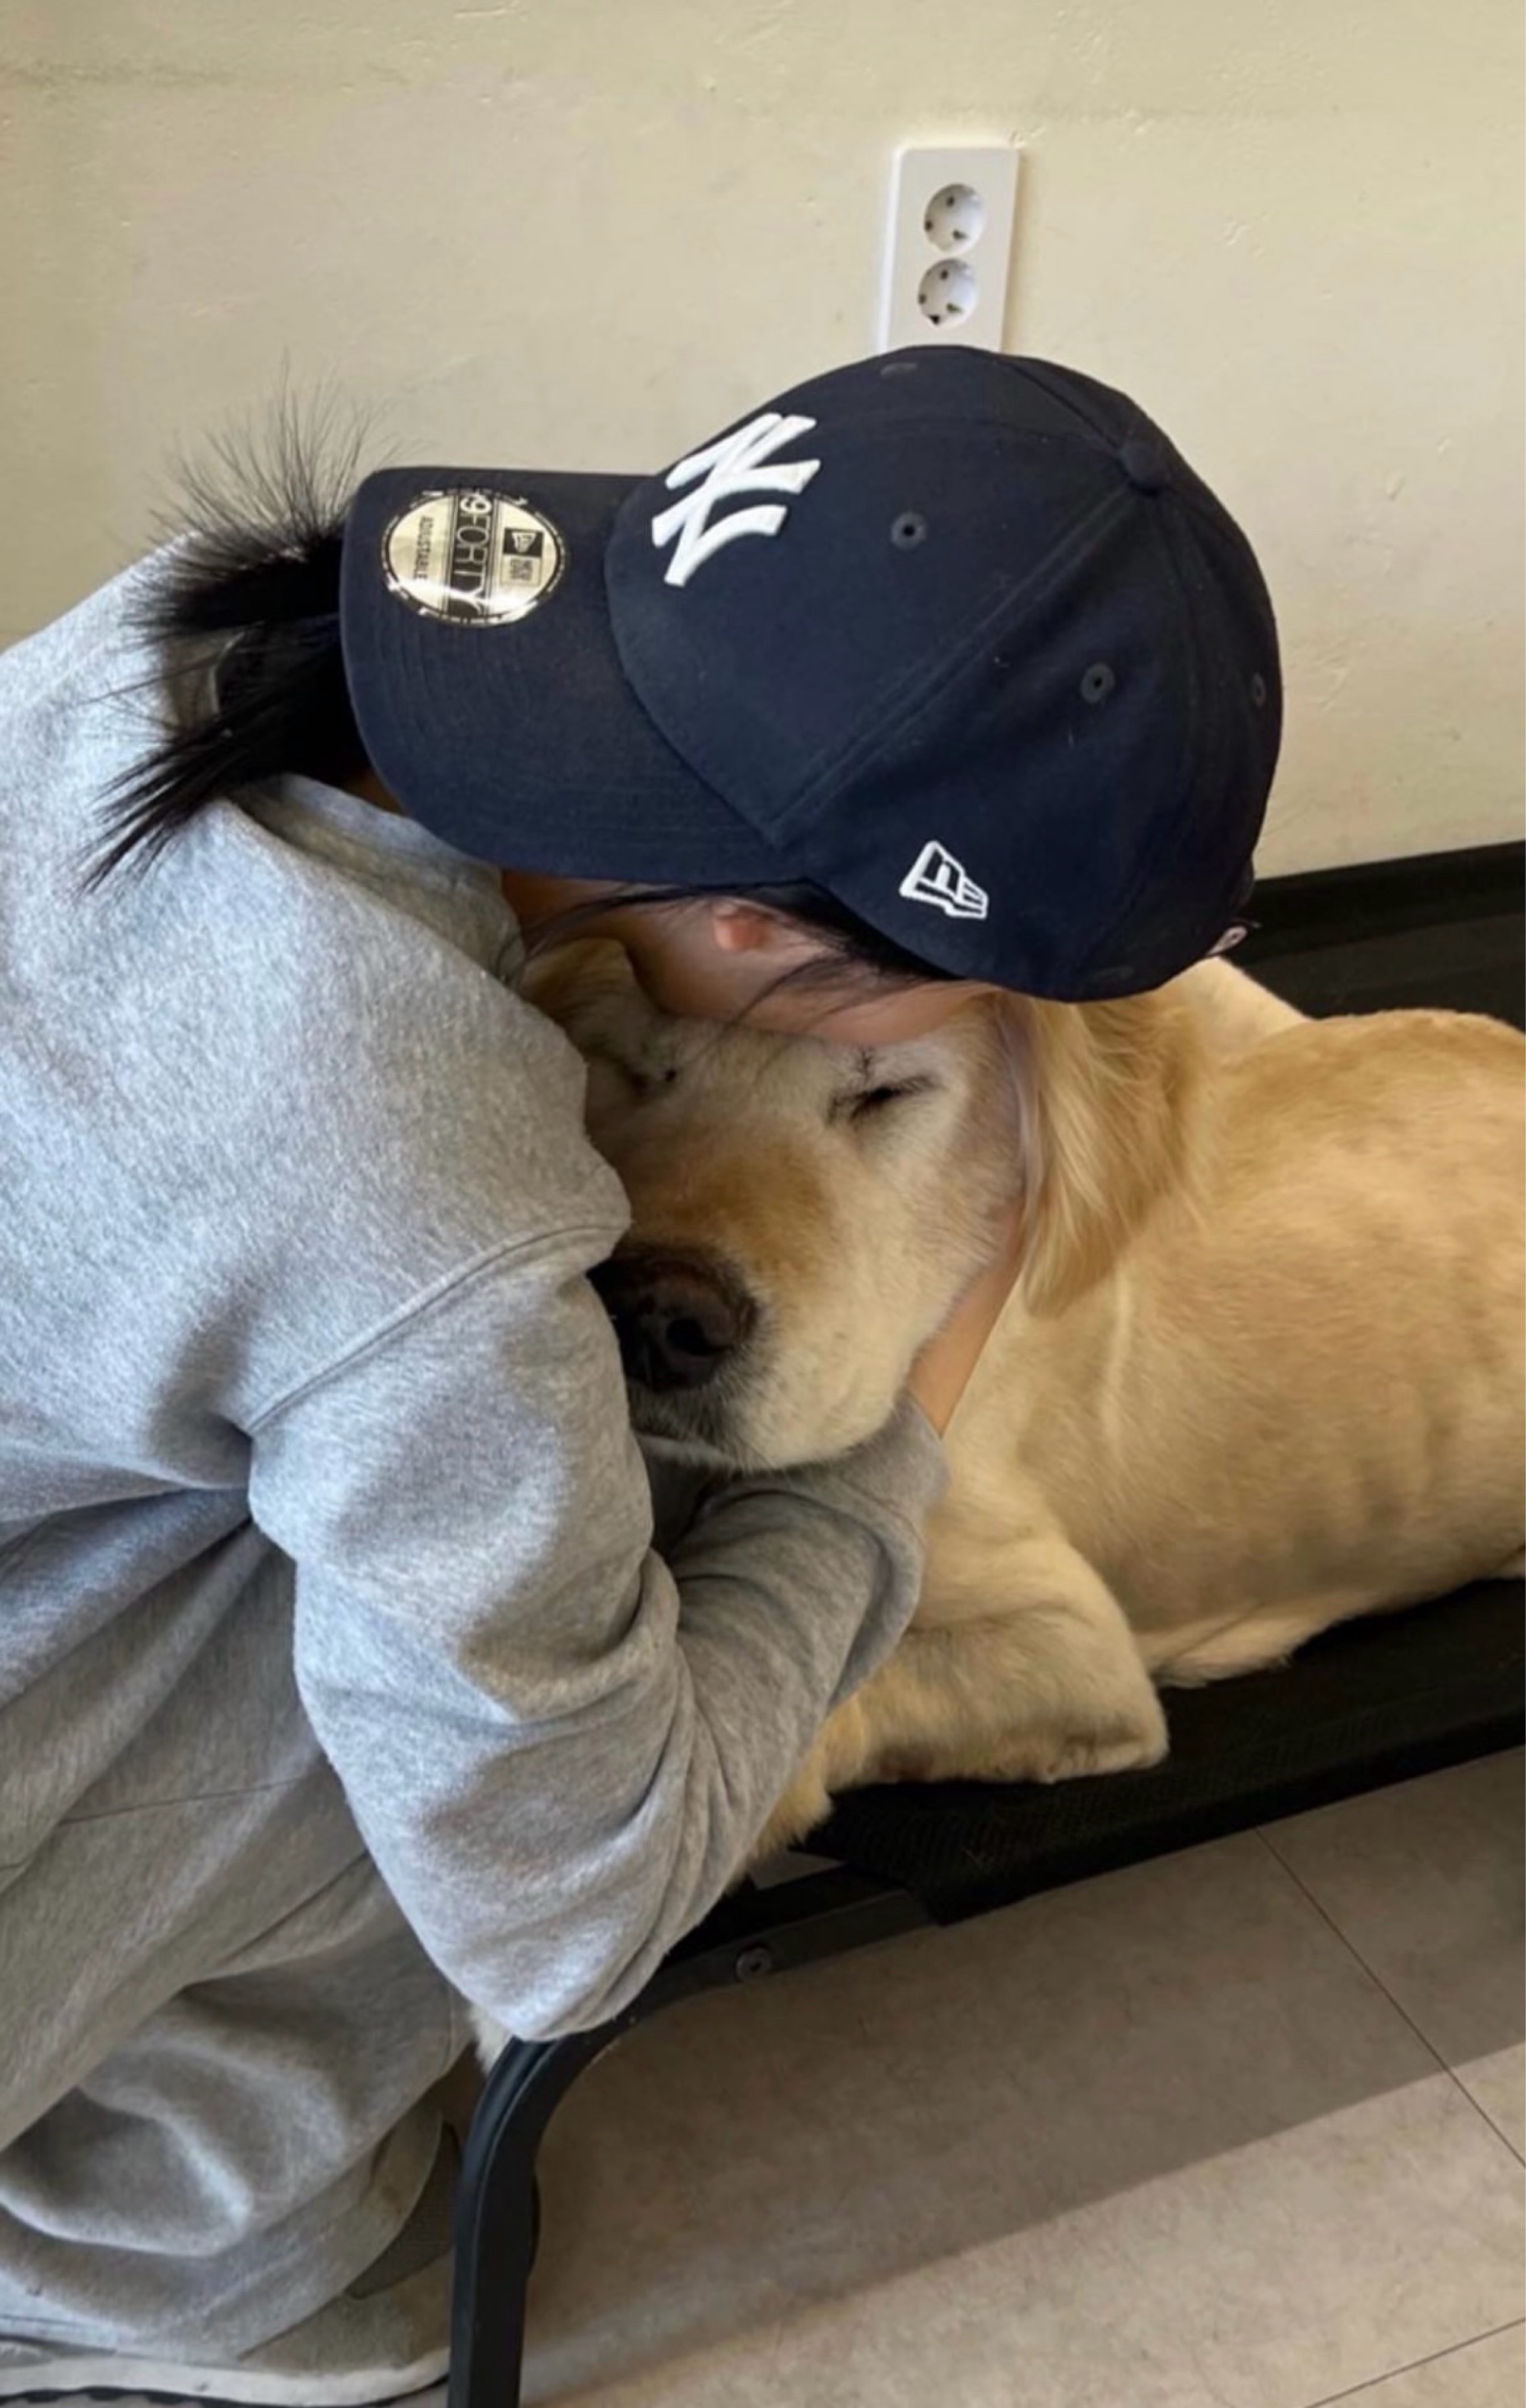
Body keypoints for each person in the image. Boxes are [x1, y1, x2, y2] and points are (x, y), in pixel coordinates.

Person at [0, 346, 1280, 2404]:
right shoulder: (417, 1188)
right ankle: (169, 2297)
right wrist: (900, 1424)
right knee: (520, 1640)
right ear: (783, 942)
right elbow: (566, 1919)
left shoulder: (205, 635)